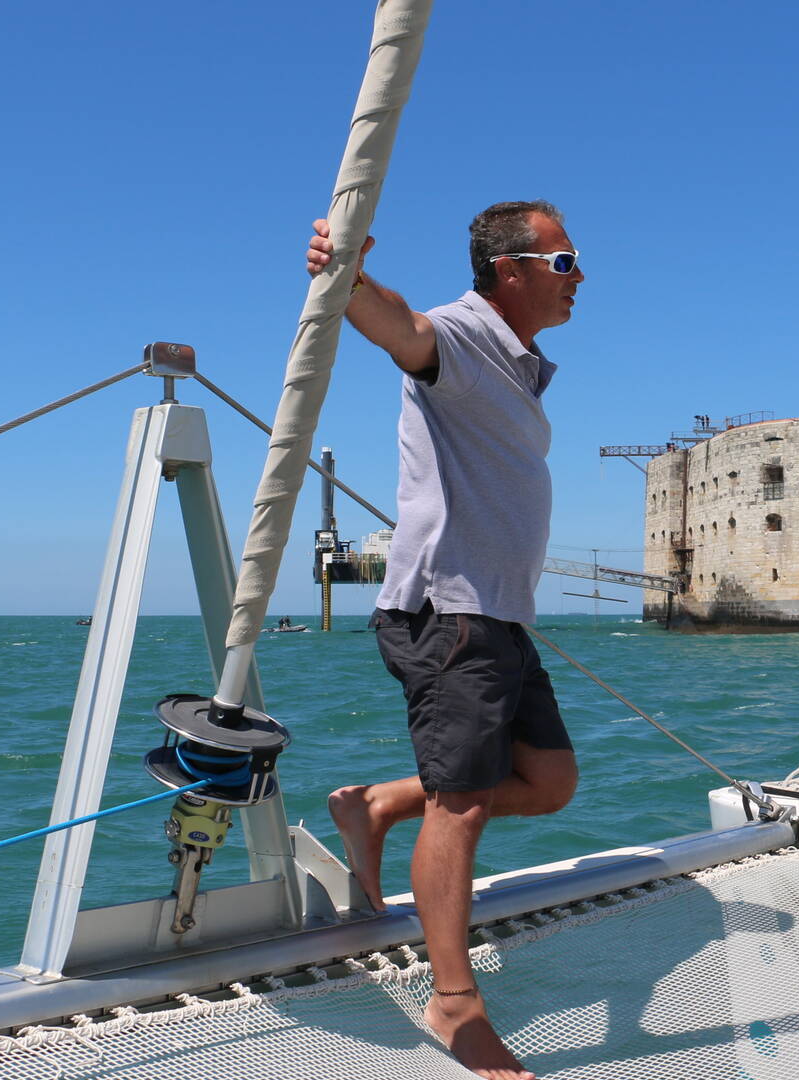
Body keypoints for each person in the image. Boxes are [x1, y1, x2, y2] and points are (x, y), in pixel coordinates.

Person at [307, 201, 583, 1080]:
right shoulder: (464, 338)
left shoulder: (519, 360)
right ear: (511, 270)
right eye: (566, 260)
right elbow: (403, 329)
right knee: (460, 804)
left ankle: (382, 805)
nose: (580, 277)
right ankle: (453, 1003)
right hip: (452, 612)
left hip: (500, 612)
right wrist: (347, 279)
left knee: (549, 782)